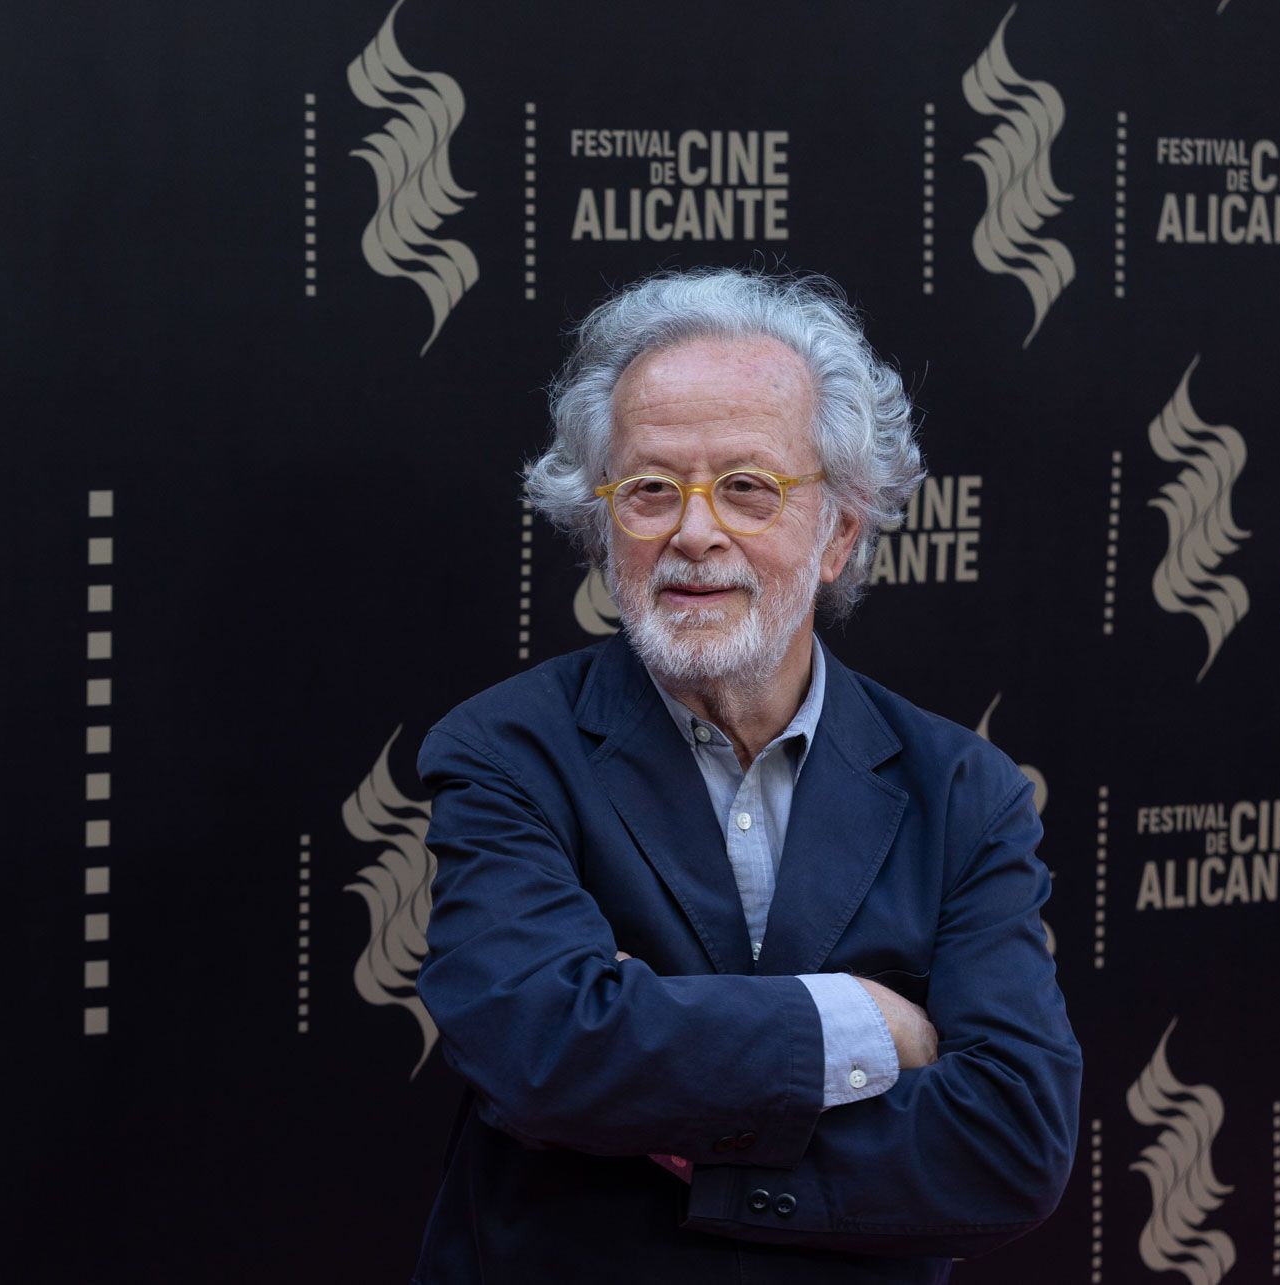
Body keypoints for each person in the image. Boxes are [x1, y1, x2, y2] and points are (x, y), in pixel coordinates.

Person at [412, 268, 1080, 1283]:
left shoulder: (964, 793)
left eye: (747, 487)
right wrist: (864, 1023)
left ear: (841, 530)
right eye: (648, 489)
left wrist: (685, 1125)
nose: (692, 531)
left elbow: (1011, 1140)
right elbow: (542, 1047)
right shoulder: (506, 753)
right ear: (602, 525)